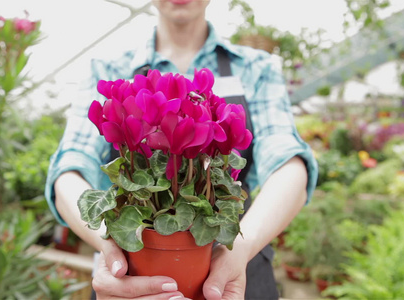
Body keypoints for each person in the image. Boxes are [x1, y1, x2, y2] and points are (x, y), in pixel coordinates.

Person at [45, 0, 318, 299]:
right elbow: (70, 166)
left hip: (238, 268)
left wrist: (243, 244)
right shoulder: (108, 67)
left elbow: (289, 163)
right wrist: (109, 248)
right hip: (132, 280)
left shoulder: (255, 67)